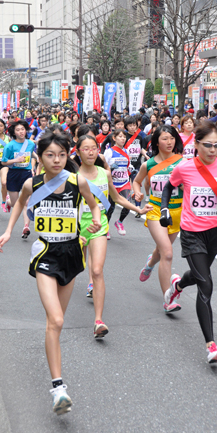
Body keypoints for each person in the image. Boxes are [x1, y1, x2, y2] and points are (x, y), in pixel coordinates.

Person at [0, 131, 102, 415]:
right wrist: (8, 231)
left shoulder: (77, 181)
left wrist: (94, 224)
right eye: (50, 155)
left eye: (62, 155)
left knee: (57, 322)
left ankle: (57, 385)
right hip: (44, 253)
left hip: (71, 254)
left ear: (69, 156)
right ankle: (58, 388)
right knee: (55, 318)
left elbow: (95, 207)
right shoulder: (33, 184)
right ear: (39, 158)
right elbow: (19, 203)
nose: (57, 160)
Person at [160, 121, 217, 363]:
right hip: (192, 231)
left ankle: (176, 286)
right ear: (196, 144)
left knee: (197, 276)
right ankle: (211, 345)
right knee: (205, 284)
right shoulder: (185, 168)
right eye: (208, 145)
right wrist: (164, 209)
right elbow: (168, 187)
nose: (213, 149)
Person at [75, 133, 152, 335]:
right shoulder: (72, 177)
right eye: (86, 148)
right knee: (78, 266)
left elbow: (116, 197)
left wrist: (138, 209)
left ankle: (98, 321)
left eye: (94, 148)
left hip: (99, 224)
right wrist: (74, 232)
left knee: (98, 270)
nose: (91, 152)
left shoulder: (104, 173)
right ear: (78, 152)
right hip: (76, 227)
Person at [133, 125, 185, 312]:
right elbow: (137, 181)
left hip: (177, 211)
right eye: (164, 138)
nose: (169, 142)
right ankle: (168, 298)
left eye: (172, 138)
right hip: (155, 210)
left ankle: (150, 263)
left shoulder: (182, 162)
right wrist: (138, 194)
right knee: (168, 253)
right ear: (156, 142)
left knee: (162, 251)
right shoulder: (149, 165)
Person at [1, 120, 37, 238]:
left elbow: (31, 153)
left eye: (22, 129)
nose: (21, 132)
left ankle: (26, 226)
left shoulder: (31, 144)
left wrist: (39, 158)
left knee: (27, 202)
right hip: (13, 174)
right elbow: (4, 162)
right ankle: (8, 202)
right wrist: (16, 160)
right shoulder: (10, 146)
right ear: (14, 132)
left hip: (26, 173)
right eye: (18, 130)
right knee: (16, 204)